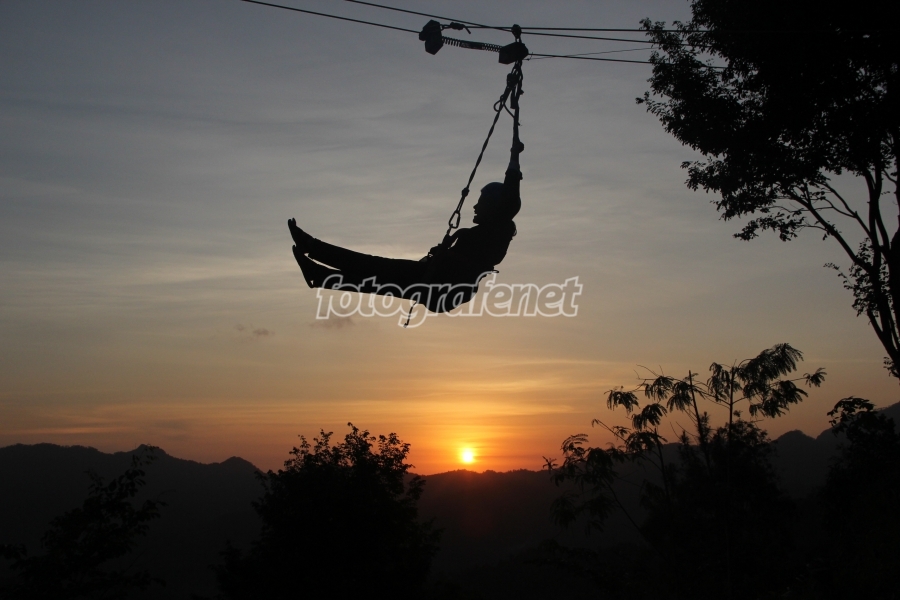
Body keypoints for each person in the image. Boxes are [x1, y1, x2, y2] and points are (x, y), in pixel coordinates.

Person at [289, 140, 522, 314]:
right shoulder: (491, 232)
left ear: (494, 206)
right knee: (375, 278)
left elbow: (510, 199)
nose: (475, 206)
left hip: (441, 287)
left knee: (374, 268)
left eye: (481, 203)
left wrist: (514, 158)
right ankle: (318, 272)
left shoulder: (498, 229)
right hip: (440, 285)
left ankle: (313, 249)